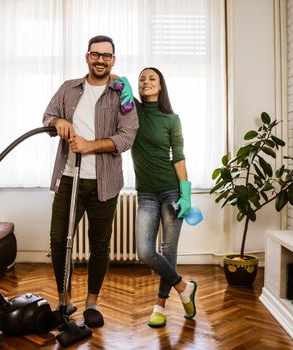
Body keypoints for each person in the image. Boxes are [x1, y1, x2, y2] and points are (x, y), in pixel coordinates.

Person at [42, 35, 138, 328]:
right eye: (95, 55)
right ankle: (64, 299)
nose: (100, 60)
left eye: (106, 56)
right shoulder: (68, 89)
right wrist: (57, 122)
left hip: (104, 183)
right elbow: (47, 115)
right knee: (59, 241)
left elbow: (127, 136)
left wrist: (89, 145)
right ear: (87, 57)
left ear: (113, 60)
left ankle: (92, 303)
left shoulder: (122, 95)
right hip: (69, 179)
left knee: (100, 245)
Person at [130, 67, 197, 328]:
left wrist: (186, 193)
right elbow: (114, 81)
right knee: (145, 252)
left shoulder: (172, 119)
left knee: (169, 250)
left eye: (152, 78)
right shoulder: (132, 111)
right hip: (145, 193)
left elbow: (178, 157)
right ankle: (184, 287)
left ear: (161, 86)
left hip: (171, 190)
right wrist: (122, 79)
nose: (145, 81)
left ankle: (160, 305)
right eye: (141, 78)